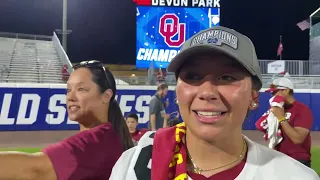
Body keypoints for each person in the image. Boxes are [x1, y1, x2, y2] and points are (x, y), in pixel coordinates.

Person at [110, 26, 318, 180]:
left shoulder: (294, 176)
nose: (207, 92)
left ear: (254, 97)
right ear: (177, 93)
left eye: (227, 77)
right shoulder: (132, 165)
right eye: (192, 76)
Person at [0, 60, 134, 180]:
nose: (70, 97)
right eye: (68, 90)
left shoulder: (95, 142)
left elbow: (34, 170)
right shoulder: (111, 135)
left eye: (81, 89)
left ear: (106, 96)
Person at [256, 77, 314, 167]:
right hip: (278, 158)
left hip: (297, 160)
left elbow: (297, 139)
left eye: (275, 92)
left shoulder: (302, 110)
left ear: (286, 91)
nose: (272, 95)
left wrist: (281, 118)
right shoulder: (277, 108)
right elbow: (260, 126)